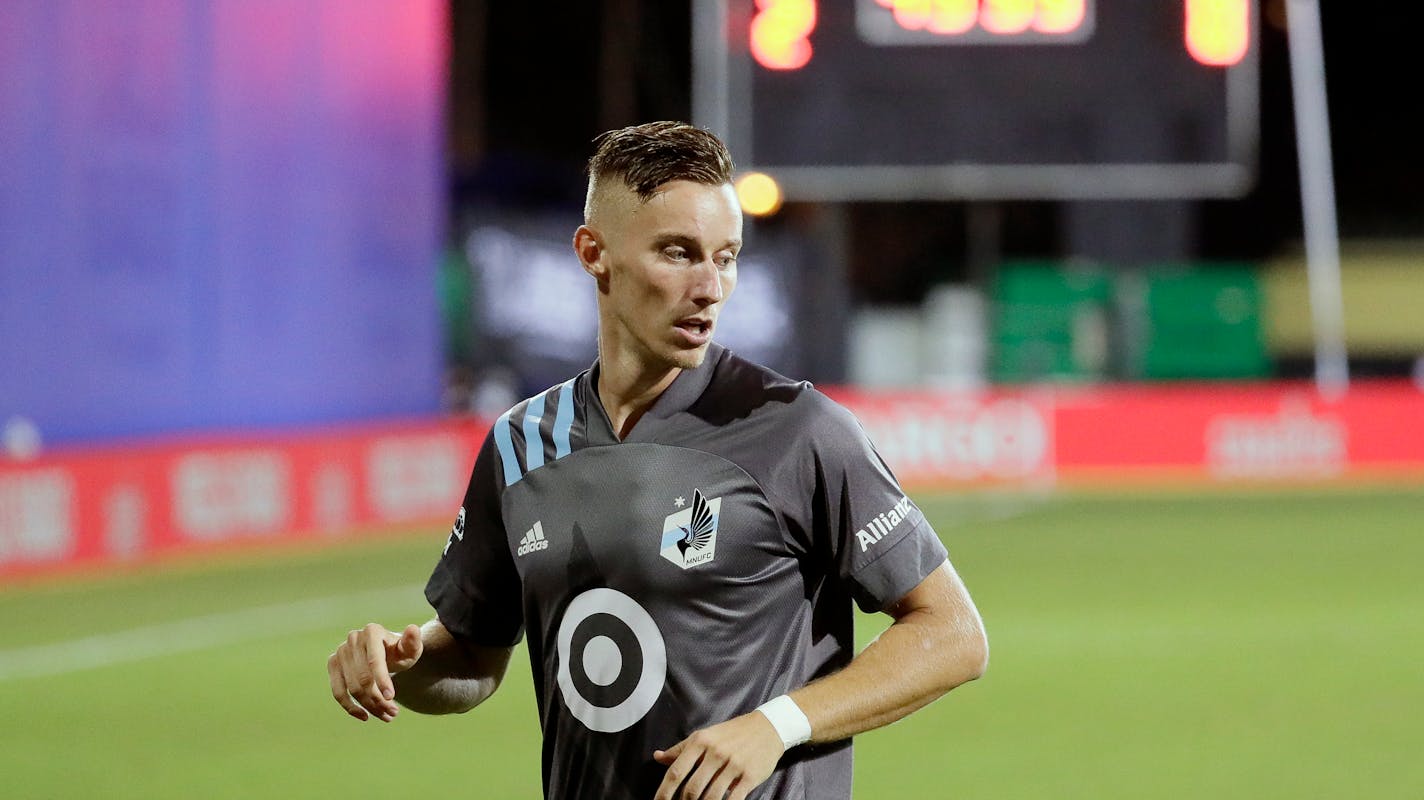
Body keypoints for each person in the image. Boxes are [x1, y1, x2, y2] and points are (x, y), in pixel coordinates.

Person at [327, 121, 988, 800]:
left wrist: (777, 725)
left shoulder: (796, 429)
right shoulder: (521, 443)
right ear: (594, 253)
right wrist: (397, 669)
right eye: (678, 253)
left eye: (725, 257)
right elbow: (472, 657)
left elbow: (953, 633)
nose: (710, 287)